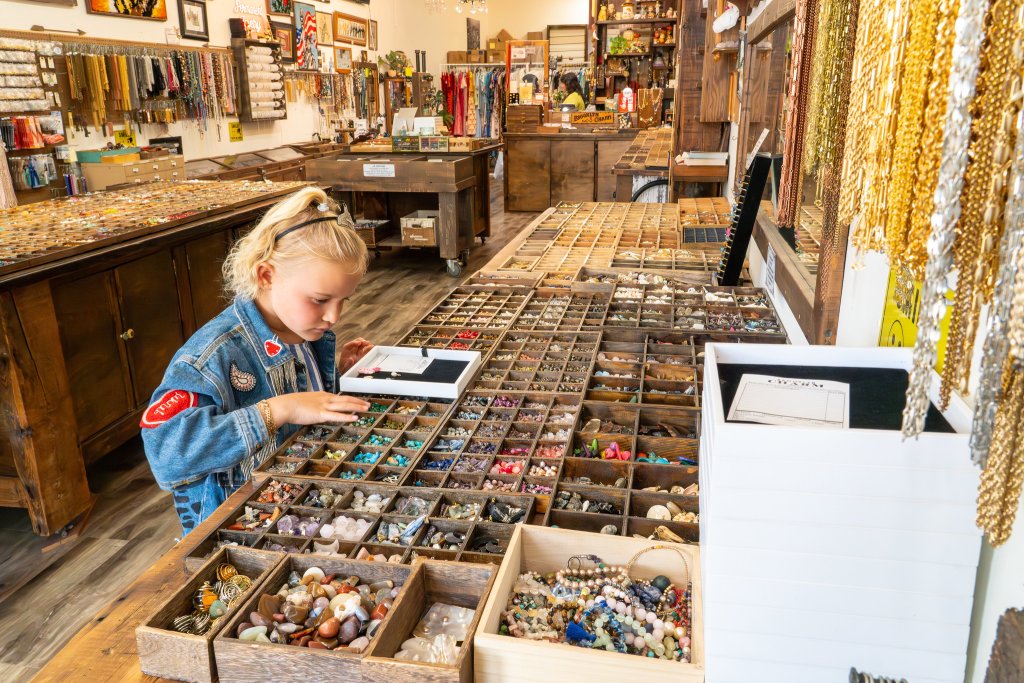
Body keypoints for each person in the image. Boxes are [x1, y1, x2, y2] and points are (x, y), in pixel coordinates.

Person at [141, 187, 375, 536]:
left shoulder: (303, 331)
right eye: (320, 299)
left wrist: (338, 375)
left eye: (344, 300)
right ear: (266, 276)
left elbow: (301, 401)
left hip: (295, 510)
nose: (333, 317)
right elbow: (168, 455)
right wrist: (278, 410)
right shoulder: (210, 355)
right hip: (238, 529)